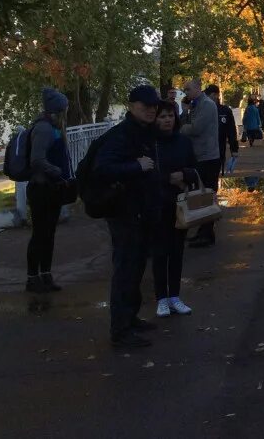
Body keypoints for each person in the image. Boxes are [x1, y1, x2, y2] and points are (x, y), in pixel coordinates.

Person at [94, 84, 161, 348]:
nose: (151, 110)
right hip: (124, 213)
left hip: (139, 211)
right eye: (145, 106)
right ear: (132, 106)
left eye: (154, 106)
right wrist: (136, 166)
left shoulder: (142, 132)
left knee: (136, 267)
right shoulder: (122, 135)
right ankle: (120, 330)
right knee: (126, 269)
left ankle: (130, 318)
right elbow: (103, 168)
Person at [150, 100, 198, 318]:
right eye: (162, 116)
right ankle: (161, 298)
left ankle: (175, 296)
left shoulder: (183, 141)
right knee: (159, 251)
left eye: (170, 115)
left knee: (177, 251)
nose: (167, 120)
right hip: (158, 203)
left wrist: (185, 175)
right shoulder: (151, 144)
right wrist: (168, 178)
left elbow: (194, 167)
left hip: (180, 203)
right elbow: (145, 172)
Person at [25, 87, 73, 294]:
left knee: (49, 234)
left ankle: (45, 275)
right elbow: (37, 159)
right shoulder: (44, 129)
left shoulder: (52, 127)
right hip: (41, 189)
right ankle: (32, 278)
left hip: (50, 188)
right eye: (65, 109)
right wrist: (56, 170)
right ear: (57, 110)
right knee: (40, 235)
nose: (66, 112)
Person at [182, 78, 222, 248]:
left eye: (188, 89)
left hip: (207, 156)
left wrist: (180, 128)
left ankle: (206, 233)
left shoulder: (206, 105)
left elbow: (196, 128)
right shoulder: (197, 104)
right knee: (201, 194)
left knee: (206, 195)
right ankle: (203, 231)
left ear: (198, 88)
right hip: (202, 155)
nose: (186, 93)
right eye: (184, 90)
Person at [205, 85, 238, 175]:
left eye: (209, 95)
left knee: (215, 174)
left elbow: (231, 131)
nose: (207, 97)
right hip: (204, 149)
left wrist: (234, 149)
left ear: (216, 95)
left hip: (219, 148)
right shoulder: (202, 110)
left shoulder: (225, 111)